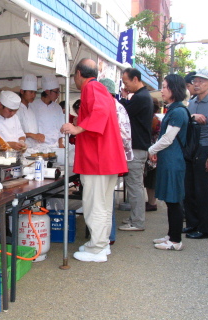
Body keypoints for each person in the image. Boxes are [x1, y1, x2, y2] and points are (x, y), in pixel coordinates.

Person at [61, 58, 127, 262]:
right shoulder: (101, 89)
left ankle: (97, 247)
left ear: (79, 74)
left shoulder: (91, 88)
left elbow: (100, 112)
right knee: (104, 205)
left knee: (94, 205)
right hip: (106, 158)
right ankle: (101, 244)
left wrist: (77, 128)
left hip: (97, 159)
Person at [149, 74, 188, 251]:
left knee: (174, 201)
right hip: (169, 160)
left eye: (165, 87)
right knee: (171, 200)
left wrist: (152, 150)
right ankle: (172, 235)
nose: (162, 90)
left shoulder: (178, 111)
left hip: (174, 161)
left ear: (174, 89)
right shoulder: (173, 109)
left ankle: (175, 240)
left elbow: (168, 138)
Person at [183, 69, 208, 239]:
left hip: (206, 148)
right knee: (189, 188)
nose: (196, 84)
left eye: (201, 81)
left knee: (203, 190)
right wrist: (192, 115)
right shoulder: (191, 103)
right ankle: (192, 224)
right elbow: (185, 121)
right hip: (191, 148)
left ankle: (206, 228)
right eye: (195, 81)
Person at [118, 67, 154, 232]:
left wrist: (122, 99)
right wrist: (126, 98)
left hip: (137, 148)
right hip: (138, 147)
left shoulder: (141, 97)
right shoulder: (141, 96)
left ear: (135, 79)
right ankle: (135, 217)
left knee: (134, 186)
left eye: (126, 82)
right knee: (134, 185)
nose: (125, 86)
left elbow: (124, 111)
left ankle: (138, 221)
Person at [99, 77, 133, 245]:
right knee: (107, 197)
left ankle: (104, 237)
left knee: (103, 200)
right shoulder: (119, 107)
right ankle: (108, 236)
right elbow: (127, 137)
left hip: (106, 158)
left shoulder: (107, 107)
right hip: (115, 158)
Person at [30, 74, 65, 148]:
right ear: (47, 91)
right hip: (38, 146)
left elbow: (61, 128)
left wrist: (61, 144)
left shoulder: (57, 107)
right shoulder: (33, 106)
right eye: (56, 92)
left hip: (55, 146)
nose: (58, 95)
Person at [17, 74, 45, 148]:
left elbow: (33, 130)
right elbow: (14, 133)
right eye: (31, 92)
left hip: (34, 148)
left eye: (35, 92)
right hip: (22, 148)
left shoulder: (31, 109)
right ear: (22, 91)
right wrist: (32, 135)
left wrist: (38, 135)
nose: (33, 95)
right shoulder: (15, 110)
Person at [144, 98, 162, 212]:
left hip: (152, 151)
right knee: (151, 179)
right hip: (154, 150)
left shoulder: (152, 120)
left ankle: (152, 202)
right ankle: (151, 201)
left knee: (150, 179)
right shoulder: (156, 119)